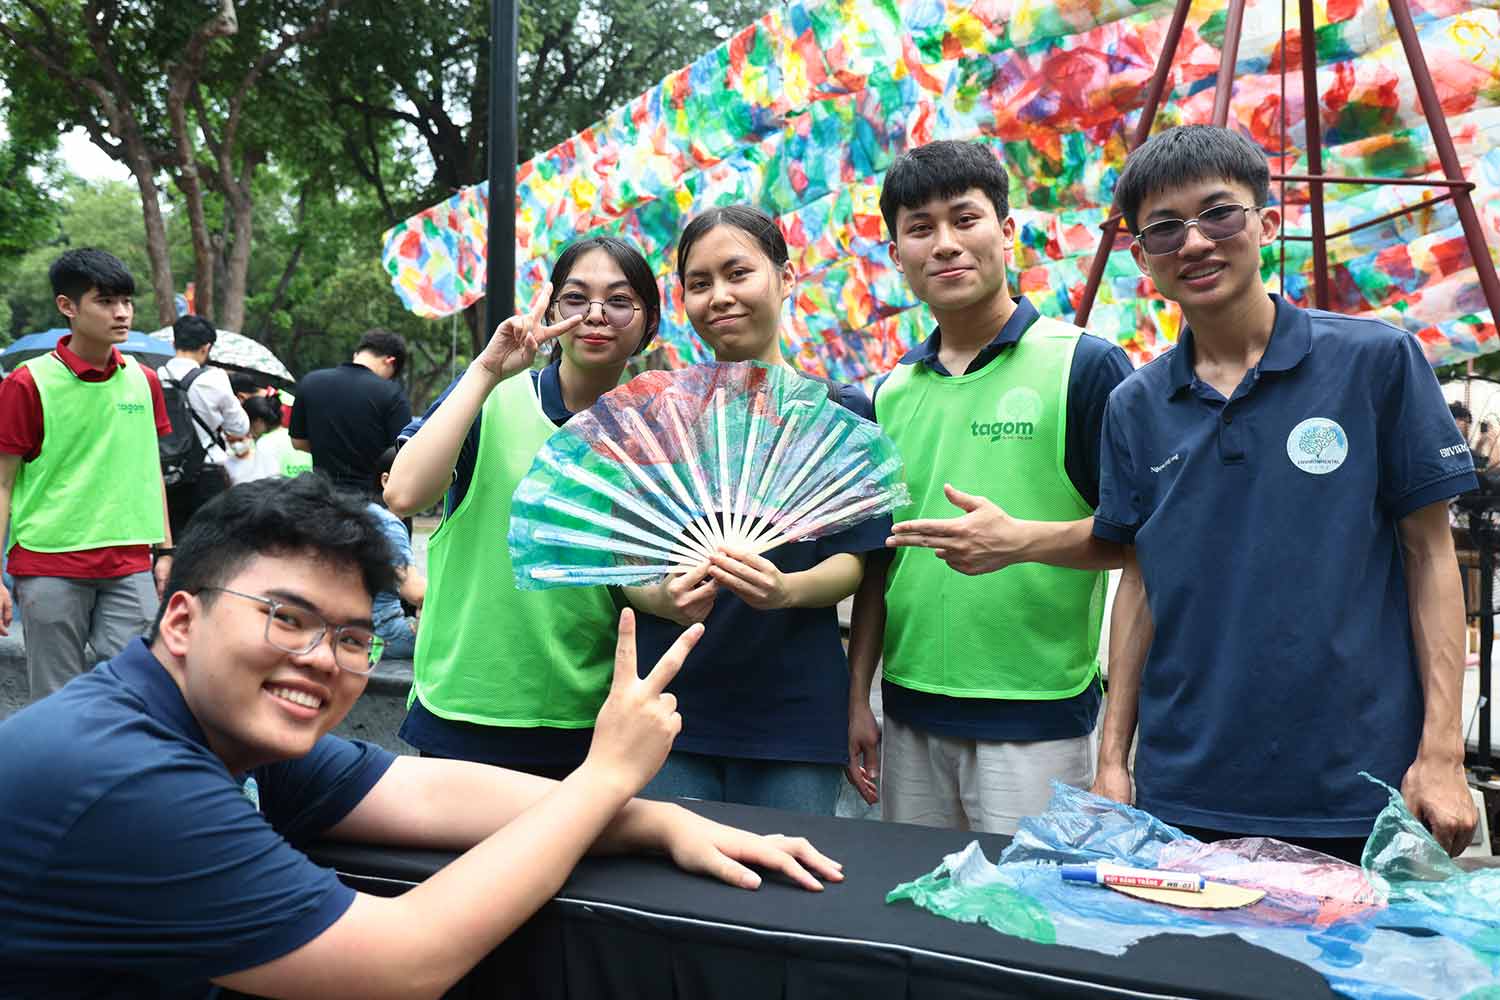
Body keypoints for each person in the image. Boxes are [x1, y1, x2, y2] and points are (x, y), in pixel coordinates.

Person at [0, 475, 840, 999]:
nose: (321, 660)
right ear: (181, 618)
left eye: (353, 637)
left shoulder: (204, 722)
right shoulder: (127, 776)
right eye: (286, 618)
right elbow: (401, 964)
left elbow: (420, 788)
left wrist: (658, 818)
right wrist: (601, 777)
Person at [1089, 124, 1478, 860]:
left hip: (1357, 786)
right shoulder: (1135, 405)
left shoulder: (1374, 362)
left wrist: (1442, 757)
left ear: (1266, 223)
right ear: (1143, 259)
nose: (1195, 243)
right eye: (1165, 230)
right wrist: (1113, 762)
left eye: (1219, 214)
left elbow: (1431, 557)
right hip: (1183, 787)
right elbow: (1139, 581)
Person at [843, 140, 1133, 834]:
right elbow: (879, 563)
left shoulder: (1084, 367)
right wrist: (861, 698)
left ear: (1006, 232)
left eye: (964, 219)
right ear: (897, 256)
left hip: (1037, 721)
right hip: (908, 716)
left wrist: (1020, 541)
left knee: (1028, 924)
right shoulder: (886, 395)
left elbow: (1139, 540)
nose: (945, 244)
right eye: (920, 228)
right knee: (918, 918)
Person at [624, 205, 889, 816]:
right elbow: (619, 567)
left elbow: (855, 562)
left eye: (737, 273)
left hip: (793, 717)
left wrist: (786, 589)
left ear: (786, 278)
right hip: (669, 708)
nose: (720, 296)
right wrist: (660, 596)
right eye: (699, 283)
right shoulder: (659, 417)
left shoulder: (841, 413)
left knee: (780, 896)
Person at [385, 236, 659, 777]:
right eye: (576, 298)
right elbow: (403, 493)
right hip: (463, 704)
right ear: (551, 309)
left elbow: (643, 578)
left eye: (620, 301)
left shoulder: (658, 434)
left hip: (587, 717)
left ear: (649, 325)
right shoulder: (494, 398)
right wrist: (486, 371)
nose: (596, 315)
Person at [0, 248, 175, 700]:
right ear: (67, 306)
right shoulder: (26, 383)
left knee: (140, 693)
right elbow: (2, 483)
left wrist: (166, 550)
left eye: (127, 302)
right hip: (49, 561)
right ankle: (57, 774)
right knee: (57, 699)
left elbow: (147, 466)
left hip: (130, 562)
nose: (122, 313)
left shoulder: (144, 380)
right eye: (105, 301)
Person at [159, 314, 252, 538]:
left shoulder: (155, 376)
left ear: (174, 343)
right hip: (207, 473)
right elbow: (239, 427)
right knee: (210, 546)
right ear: (206, 347)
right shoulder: (214, 378)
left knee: (174, 540)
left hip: (167, 474)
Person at [290, 329, 412, 495]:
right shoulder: (392, 393)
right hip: (370, 501)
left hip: (322, 499)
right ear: (390, 361)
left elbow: (298, 442)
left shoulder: (310, 382)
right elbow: (403, 454)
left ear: (357, 354)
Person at [367, 445, 425, 659]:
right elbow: (417, 593)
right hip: (384, 634)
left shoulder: (366, 512)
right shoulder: (389, 524)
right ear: (385, 480)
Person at [227, 394, 312, 484]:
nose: (248, 431)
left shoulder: (265, 443)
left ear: (258, 421)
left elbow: (267, 482)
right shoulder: (295, 437)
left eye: (248, 424)